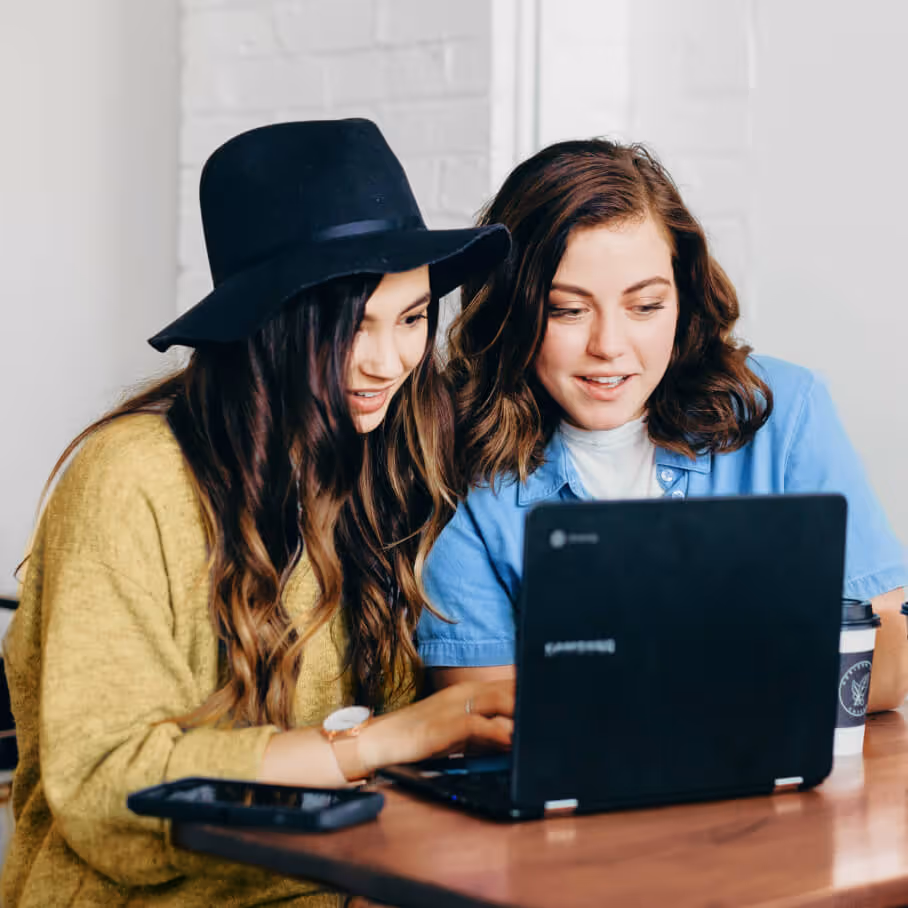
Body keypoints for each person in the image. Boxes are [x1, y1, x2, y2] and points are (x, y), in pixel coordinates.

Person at [1, 119, 514, 907]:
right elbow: (108, 786)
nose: (388, 362)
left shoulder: (387, 458)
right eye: (351, 327)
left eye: (412, 318)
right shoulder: (132, 479)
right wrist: (385, 739)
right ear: (270, 325)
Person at [418, 138, 908, 713]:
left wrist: (651, 691)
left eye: (645, 306)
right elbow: (478, 708)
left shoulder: (783, 410)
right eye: (567, 310)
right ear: (512, 310)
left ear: (684, 298)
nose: (609, 346)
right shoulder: (458, 458)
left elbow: (890, 659)